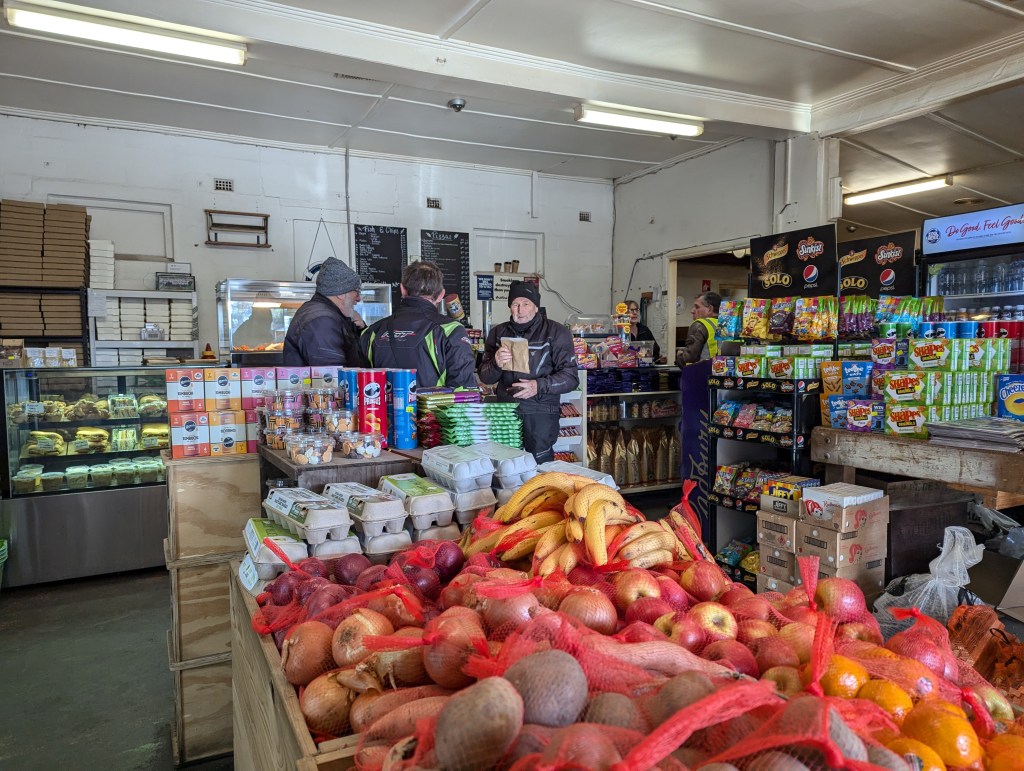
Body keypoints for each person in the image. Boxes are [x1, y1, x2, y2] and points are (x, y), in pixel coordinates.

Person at [479, 281, 579, 464]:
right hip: (506, 412)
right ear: (510, 306)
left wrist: (537, 386)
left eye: (526, 304)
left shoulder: (556, 332)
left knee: (540, 467)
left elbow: (571, 377)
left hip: (541, 412)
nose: (520, 310)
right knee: (506, 466)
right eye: (515, 304)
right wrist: (496, 363)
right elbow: (486, 377)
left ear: (536, 306)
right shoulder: (497, 333)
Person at [359, 261, 477, 388]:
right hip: (433, 402)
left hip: (382, 401)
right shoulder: (451, 330)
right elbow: (464, 390)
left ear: (402, 289)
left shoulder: (372, 332)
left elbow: (361, 384)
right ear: (441, 295)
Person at [283, 257, 367, 366]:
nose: (359, 298)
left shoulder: (326, 315)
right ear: (341, 293)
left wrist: (361, 330)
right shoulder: (322, 321)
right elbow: (331, 371)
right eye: (356, 291)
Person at [676, 291, 723, 365]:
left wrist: (679, 356)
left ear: (710, 309)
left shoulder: (700, 325)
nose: (692, 311)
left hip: (703, 371)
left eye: (697, 307)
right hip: (724, 370)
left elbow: (688, 359)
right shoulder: (727, 325)